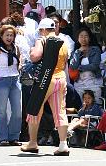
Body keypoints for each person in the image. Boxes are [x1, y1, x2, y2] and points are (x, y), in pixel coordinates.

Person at [21, 18, 70, 156]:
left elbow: (35, 57)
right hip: (60, 78)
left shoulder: (42, 40)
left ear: (42, 30)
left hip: (45, 79)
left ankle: (32, 143)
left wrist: (32, 51)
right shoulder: (63, 42)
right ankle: (63, 144)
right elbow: (65, 61)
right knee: (60, 111)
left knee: (34, 109)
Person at [0, 24, 22, 145]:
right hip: (2, 80)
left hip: (14, 79)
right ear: (1, 36)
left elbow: (19, 61)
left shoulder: (16, 48)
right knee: (2, 110)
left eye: (11, 35)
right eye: (7, 35)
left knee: (17, 110)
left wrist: (20, 66)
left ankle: (14, 136)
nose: (9, 38)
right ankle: (3, 137)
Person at [69, 28, 103, 103]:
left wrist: (80, 68)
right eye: (81, 36)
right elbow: (73, 67)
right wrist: (78, 53)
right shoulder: (75, 52)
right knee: (81, 106)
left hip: (94, 83)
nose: (83, 39)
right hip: (79, 84)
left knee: (96, 104)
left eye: (86, 36)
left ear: (89, 38)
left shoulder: (95, 49)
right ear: (78, 39)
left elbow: (94, 65)